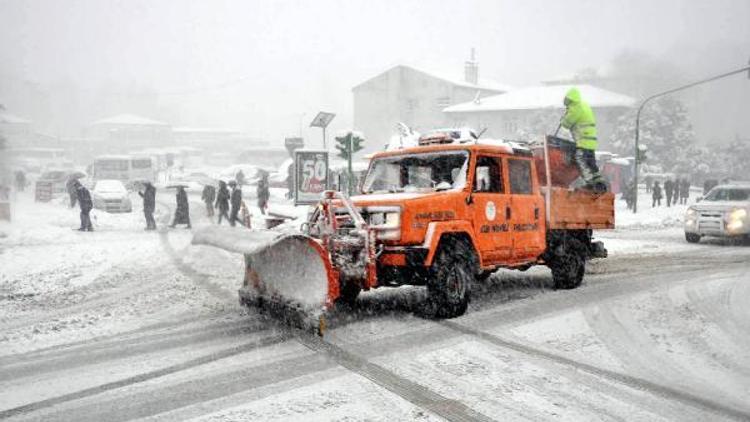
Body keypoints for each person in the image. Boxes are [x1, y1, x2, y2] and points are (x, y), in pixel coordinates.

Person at [561, 87, 606, 192]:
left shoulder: (575, 107)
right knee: (591, 163)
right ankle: (599, 182)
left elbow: (566, 123)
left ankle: (590, 183)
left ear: (569, 100)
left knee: (580, 159)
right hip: (591, 141)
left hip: (583, 140)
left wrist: (563, 118)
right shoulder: (584, 105)